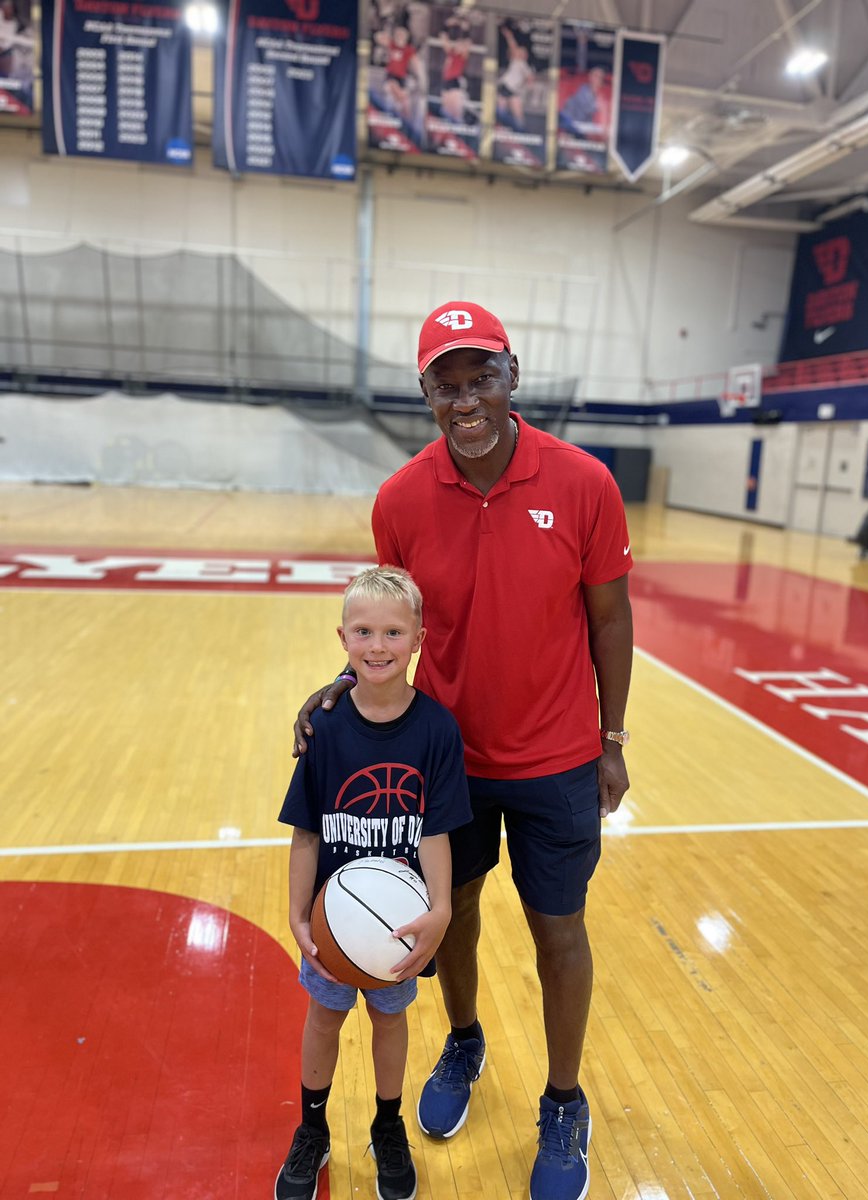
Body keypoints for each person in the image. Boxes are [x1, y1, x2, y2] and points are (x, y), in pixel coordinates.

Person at [294, 301, 633, 1200]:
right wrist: (346, 686)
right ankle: (466, 1038)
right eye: (446, 383)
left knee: (559, 931)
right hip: (448, 760)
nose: (466, 397)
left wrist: (614, 737)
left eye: (480, 376)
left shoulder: (585, 483)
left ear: (512, 374)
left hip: (560, 758)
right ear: (426, 394)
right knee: (455, 916)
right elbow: (392, 625)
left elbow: (611, 615)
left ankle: (564, 1100)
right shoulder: (401, 499)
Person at [276, 565, 472, 1200]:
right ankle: (312, 1129)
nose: (378, 646)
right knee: (324, 1018)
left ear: (418, 638)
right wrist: (299, 917)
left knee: (391, 1023)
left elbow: (438, 832)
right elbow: (305, 833)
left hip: (399, 927)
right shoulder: (324, 728)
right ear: (342, 638)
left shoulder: (437, 730)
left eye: (393, 632)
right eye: (364, 631)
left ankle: (387, 1127)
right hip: (335, 923)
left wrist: (440, 909)